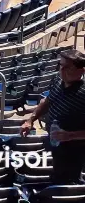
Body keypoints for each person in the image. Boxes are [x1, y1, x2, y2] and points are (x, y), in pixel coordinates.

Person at [20, 49, 85, 184]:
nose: (61, 70)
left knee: (68, 182)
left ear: (81, 70)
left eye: (67, 67)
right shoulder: (57, 79)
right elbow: (48, 101)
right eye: (60, 65)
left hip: (74, 150)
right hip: (53, 140)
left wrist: (70, 135)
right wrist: (30, 120)